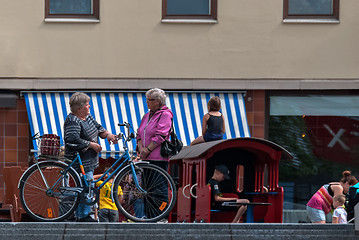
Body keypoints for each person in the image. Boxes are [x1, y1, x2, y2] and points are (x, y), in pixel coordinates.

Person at [64, 92, 118, 222]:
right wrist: (90, 144)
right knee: (86, 187)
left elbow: (98, 128)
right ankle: (83, 215)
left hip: (89, 161)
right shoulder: (73, 120)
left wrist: (108, 135)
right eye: (87, 105)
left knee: (87, 186)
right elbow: (72, 139)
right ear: (79, 108)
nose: (90, 107)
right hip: (79, 160)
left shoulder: (87, 117)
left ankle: (82, 214)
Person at [136, 88, 173, 171]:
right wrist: (141, 149)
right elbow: (139, 134)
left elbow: (161, 135)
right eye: (146, 99)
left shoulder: (165, 115)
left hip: (158, 158)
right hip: (145, 158)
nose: (147, 102)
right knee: (147, 183)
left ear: (158, 101)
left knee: (158, 182)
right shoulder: (146, 115)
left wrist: (147, 150)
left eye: (150, 100)